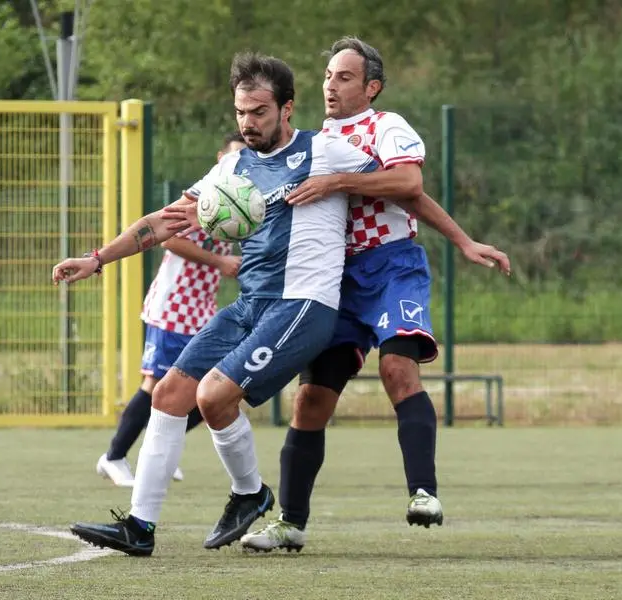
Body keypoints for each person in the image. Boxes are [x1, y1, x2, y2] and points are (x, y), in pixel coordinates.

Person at [51, 51, 378, 557]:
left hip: (303, 306)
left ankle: (249, 493)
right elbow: (165, 222)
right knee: (168, 395)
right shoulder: (232, 167)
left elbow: (402, 182)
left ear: (288, 109)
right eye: (241, 112)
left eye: (260, 113)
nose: (248, 124)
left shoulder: (327, 151)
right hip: (251, 304)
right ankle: (141, 527)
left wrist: (351, 193)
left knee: (212, 396)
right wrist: (98, 258)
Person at [240, 37, 511, 552]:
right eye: (326, 76)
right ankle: (290, 522)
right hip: (337, 278)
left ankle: (423, 493)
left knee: (397, 370)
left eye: (344, 77)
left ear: (371, 87)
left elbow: (408, 183)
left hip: (391, 266)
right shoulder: (317, 139)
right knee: (312, 400)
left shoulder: (386, 126)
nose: (330, 86)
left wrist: (462, 241)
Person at [95, 132, 246, 487]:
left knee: (211, 389)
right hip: (173, 303)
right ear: (219, 157)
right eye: (234, 156)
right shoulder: (205, 195)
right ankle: (114, 457)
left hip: (202, 307)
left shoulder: (241, 199)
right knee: (155, 383)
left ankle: (157, 451)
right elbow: (170, 237)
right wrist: (220, 261)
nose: (239, 164)